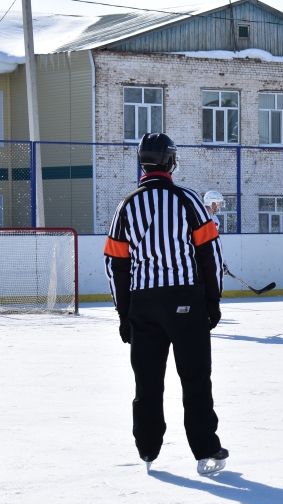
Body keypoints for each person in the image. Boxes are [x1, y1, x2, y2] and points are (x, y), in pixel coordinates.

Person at [103, 133, 228, 476]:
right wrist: (212, 301)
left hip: (144, 304)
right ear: (171, 161)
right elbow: (210, 256)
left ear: (142, 161)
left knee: (148, 382)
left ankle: (147, 450)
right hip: (185, 300)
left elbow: (115, 263)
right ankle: (205, 450)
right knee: (195, 379)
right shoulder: (188, 200)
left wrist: (123, 312)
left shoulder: (127, 204)